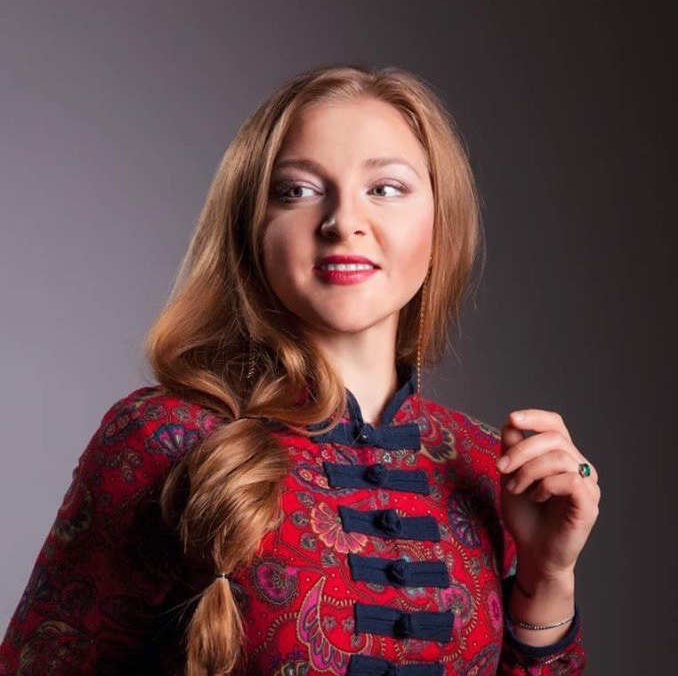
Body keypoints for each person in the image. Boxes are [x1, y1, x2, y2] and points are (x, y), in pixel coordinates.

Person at [0, 64, 600, 676]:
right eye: (298, 191)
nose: (343, 222)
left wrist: (547, 575)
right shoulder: (164, 438)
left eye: (386, 188)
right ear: (252, 227)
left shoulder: (484, 463)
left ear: (441, 221)